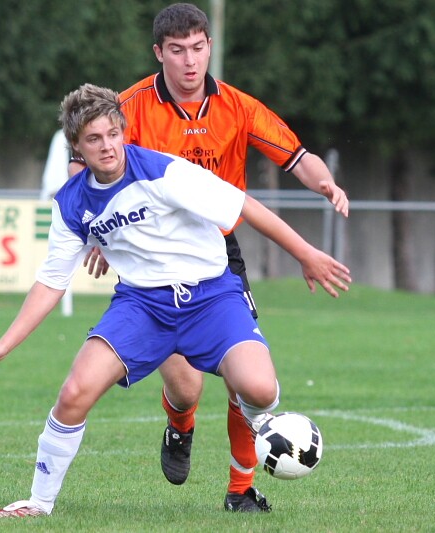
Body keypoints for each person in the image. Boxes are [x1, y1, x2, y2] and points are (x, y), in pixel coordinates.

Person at [0, 83, 351, 518]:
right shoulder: (71, 205)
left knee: (258, 388)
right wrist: (5, 344)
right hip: (142, 307)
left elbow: (243, 205)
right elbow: (51, 282)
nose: (107, 146)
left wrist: (306, 254)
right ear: (77, 146)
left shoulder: (164, 171)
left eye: (113, 134)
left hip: (212, 297)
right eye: (94, 139)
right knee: (74, 392)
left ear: (123, 131)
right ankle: (39, 502)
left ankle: (251, 452)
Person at [73, 2, 350, 512]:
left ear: (209, 48)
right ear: (159, 53)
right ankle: (180, 424)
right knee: (185, 386)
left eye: (197, 48)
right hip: (152, 250)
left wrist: (325, 183)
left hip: (218, 253)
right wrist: (100, 232)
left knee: (246, 378)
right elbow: (83, 166)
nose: (189, 60)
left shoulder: (237, 106)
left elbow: (296, 156)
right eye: (177, 50)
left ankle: (241, 488)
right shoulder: (130, 107)